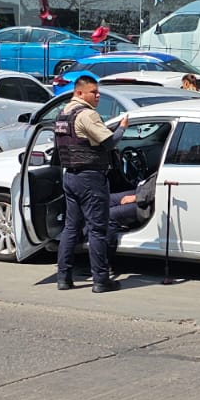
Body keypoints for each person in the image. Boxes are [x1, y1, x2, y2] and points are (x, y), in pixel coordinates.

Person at [54, 75, 128, 292]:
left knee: (71, 228)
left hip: (70, 176)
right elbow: (110, 142)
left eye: (98, 92)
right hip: (90, 177)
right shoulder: (87, 114)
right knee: (97, 230)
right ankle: (101, 281)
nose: (98, 96)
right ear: (79, 93)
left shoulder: (63, 113)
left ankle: (63, 278)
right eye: (93, 92)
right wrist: (122, 127)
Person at [109, 173, 158, 238]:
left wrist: (135, 198)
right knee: (108, 200)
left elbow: (152, 193)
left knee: (110, 215)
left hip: (145, 205)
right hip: (142, 191)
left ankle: (108, 243)